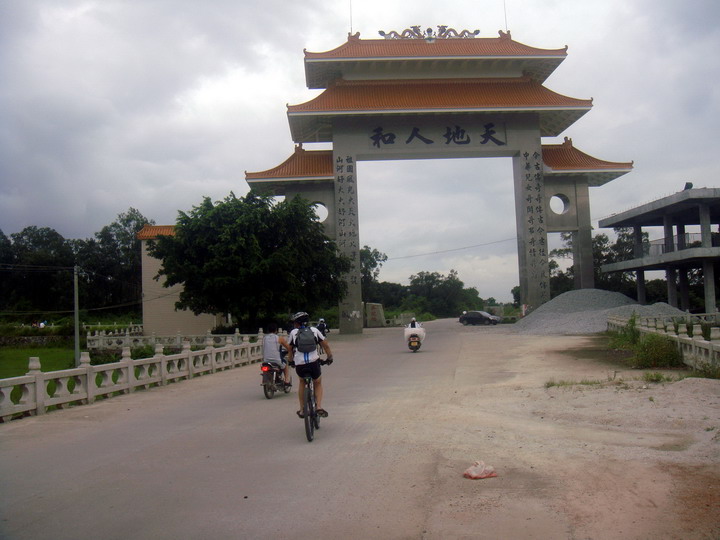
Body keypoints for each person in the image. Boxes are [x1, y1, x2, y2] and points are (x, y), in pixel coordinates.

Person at [287, 311, 333, 419]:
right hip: (313, 363)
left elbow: (290, 349)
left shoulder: (293, 332)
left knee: (302, 382)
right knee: (317, 382)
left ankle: (302, 409)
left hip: (300, 365)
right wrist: (329, 357)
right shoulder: (314, 330)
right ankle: (319, 407)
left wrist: (290, 361)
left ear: (297, 323)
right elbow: (325, 345)